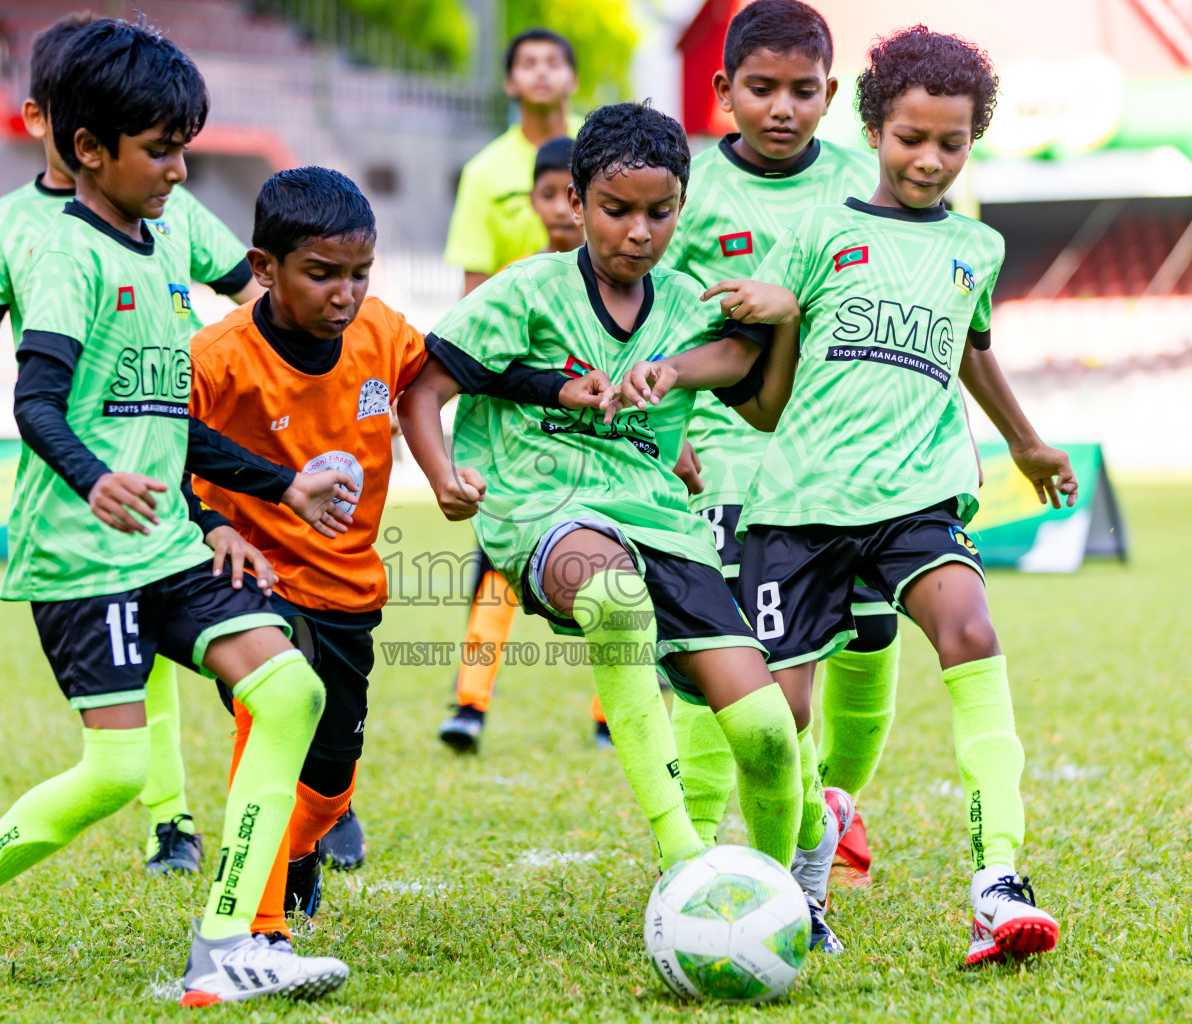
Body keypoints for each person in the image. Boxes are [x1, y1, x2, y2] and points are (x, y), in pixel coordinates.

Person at [0, 21, 353, 1004]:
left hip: (166, 539)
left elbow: (171, 421)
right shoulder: (57, 253)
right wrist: (93, 476)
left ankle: (231, 941)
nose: (184, 169)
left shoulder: (169, 234)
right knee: (112, 772)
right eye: (162, 149)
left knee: (289, 691)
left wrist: (282, 484)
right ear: (84, 148)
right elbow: (34, 401)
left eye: (187, 143)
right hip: (81, 554)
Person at [609, 25, 1069, 965]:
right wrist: (694, 367)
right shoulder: (817, 229)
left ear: (972, 140)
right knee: (783, 723)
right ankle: (790, 888)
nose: (930, 159)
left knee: (971, 633)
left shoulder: (976, 246)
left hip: (917, 497)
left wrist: (1025, 442)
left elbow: (971, 346)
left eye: (951, 142)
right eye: (910, 139)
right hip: (800, 504)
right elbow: (761, 377)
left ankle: (999, 878)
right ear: (875, 129)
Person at [399, 105, 837, 927]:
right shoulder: (526, 291)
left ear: (682, 207)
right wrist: (443, 474)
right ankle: (684, 867)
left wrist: (706, 359)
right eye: (616, 210)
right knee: (615, 601)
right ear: (574, 201)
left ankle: (783, 901)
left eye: (659, 212)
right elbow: (423, 387)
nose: (639, 232)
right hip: (543, 511)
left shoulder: (686, 304)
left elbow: (745, 369)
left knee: (772, 734)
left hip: (663, 524)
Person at [656, 0, 897, 899]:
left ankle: (831, 806)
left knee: (868, 645)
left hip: (852, 464)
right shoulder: (692, 196)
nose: (783, 107)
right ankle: (705, 858)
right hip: (729, 462)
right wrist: (668, 437)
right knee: (738, 672)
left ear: (832, 94)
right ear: (724, 91)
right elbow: (659, 331)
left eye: (804, 90)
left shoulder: (868, 183)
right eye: (762, 89)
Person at [188, 167, 428, 933]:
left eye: (359, 274)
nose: (344, 294)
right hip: (249, 582)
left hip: (350, 591)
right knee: (273, 720)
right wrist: (212, 525)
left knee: (327, 785)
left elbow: (449, 378)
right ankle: (254, 927)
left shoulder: (384, 334)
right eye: (322, 275)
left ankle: (294, 850)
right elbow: (157, 444)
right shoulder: (217, 357)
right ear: (264, 269)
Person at [436, 134, 613, 753]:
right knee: (495, 578)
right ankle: (469, 705)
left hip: (599, 469)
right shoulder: (515, 283)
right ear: (541, 202)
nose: (562, 210)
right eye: (547, 193)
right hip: (518, 471)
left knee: (610, 582)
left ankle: (607, 714)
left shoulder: (623, 290)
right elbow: (474, 367)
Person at [443, 28, 581, 296]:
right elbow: (475, 290)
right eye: (529, 63)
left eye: (553, 63)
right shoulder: (482, 173)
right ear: (510, 83)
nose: (541, 72)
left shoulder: (607, 152)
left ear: (573, 79)